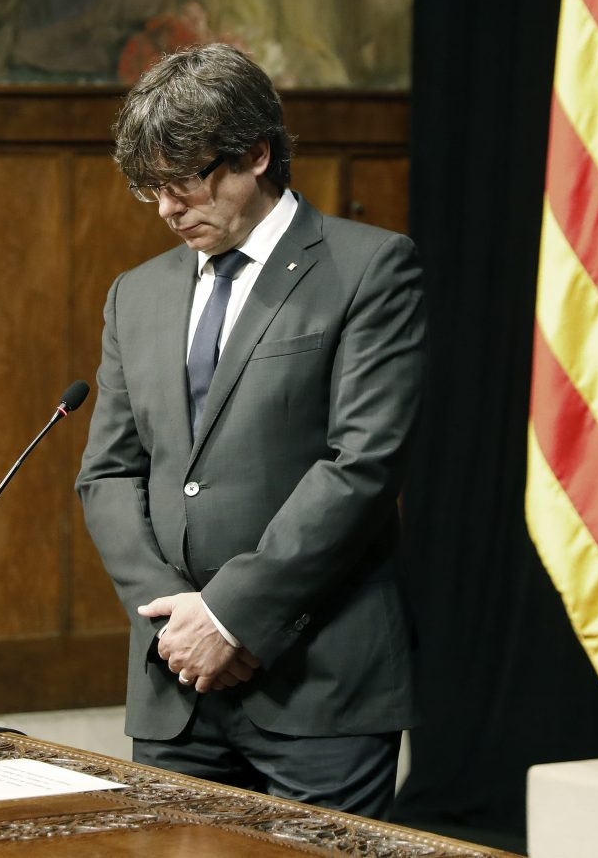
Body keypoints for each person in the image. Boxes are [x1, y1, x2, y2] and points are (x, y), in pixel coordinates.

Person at [76, 43, 425, 818]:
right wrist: (178, 619)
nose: (168, 209)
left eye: (185, 181)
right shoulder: (137, 294)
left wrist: (231, 614)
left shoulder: (369, 269)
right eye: (150, 190)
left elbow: (361, 464)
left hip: (320, 680)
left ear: (257, 154)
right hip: (177, 684)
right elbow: (108, 474)